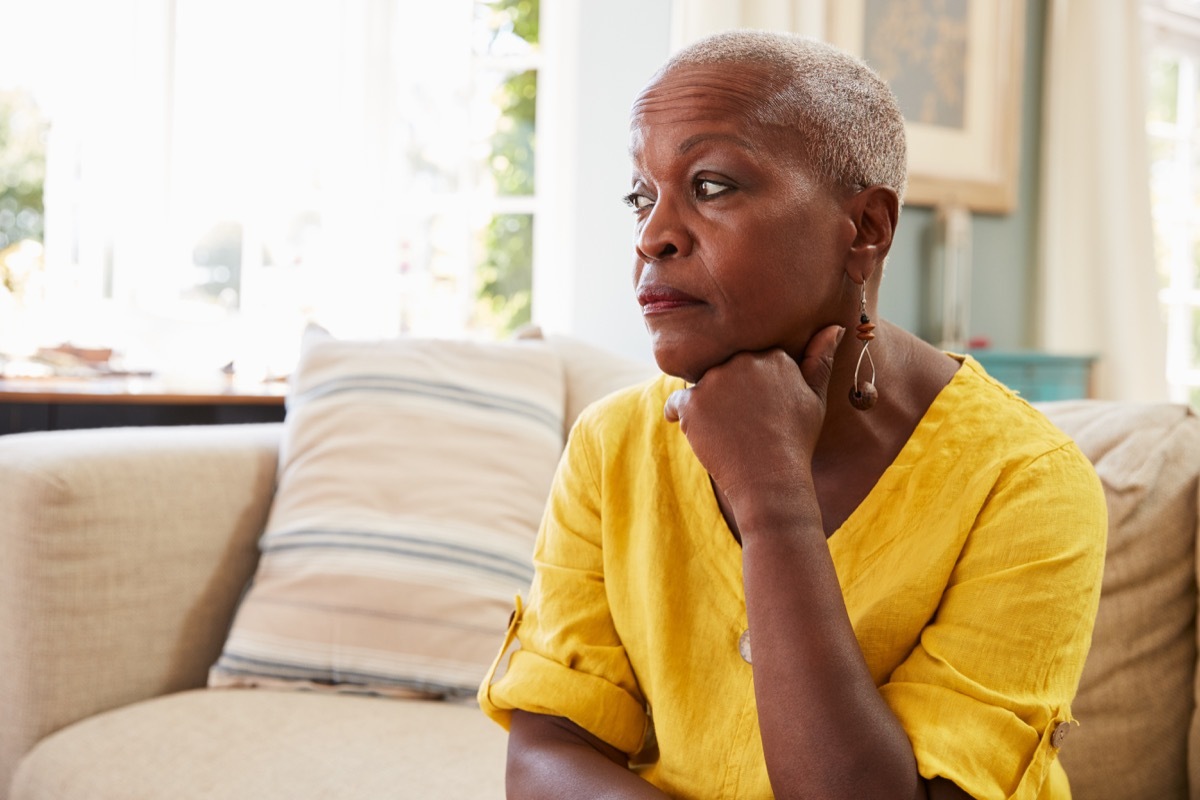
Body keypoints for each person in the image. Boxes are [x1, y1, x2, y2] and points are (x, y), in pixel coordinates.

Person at [477, 29, 1107, 800]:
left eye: (710, 186)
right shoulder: (612, 445)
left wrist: (775, 504)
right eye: (642, 195)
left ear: (867, 229)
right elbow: (544, 754)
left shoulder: (1027, 484)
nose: (651, 236)